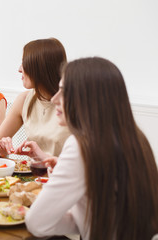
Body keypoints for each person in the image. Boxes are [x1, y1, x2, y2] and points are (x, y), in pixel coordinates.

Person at [24, 57, 158, 240]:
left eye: (63, 91)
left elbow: (37, 223)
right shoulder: (136, 138)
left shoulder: (81, 145)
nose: (55, 99)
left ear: (86, 98)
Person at [0, 38, 70, 157]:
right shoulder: (24, 100)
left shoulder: (73, 103)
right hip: (31, 173)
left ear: (40, 68)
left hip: (60, 173)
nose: (19, 69)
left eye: (25, 63)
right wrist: (0, 148)